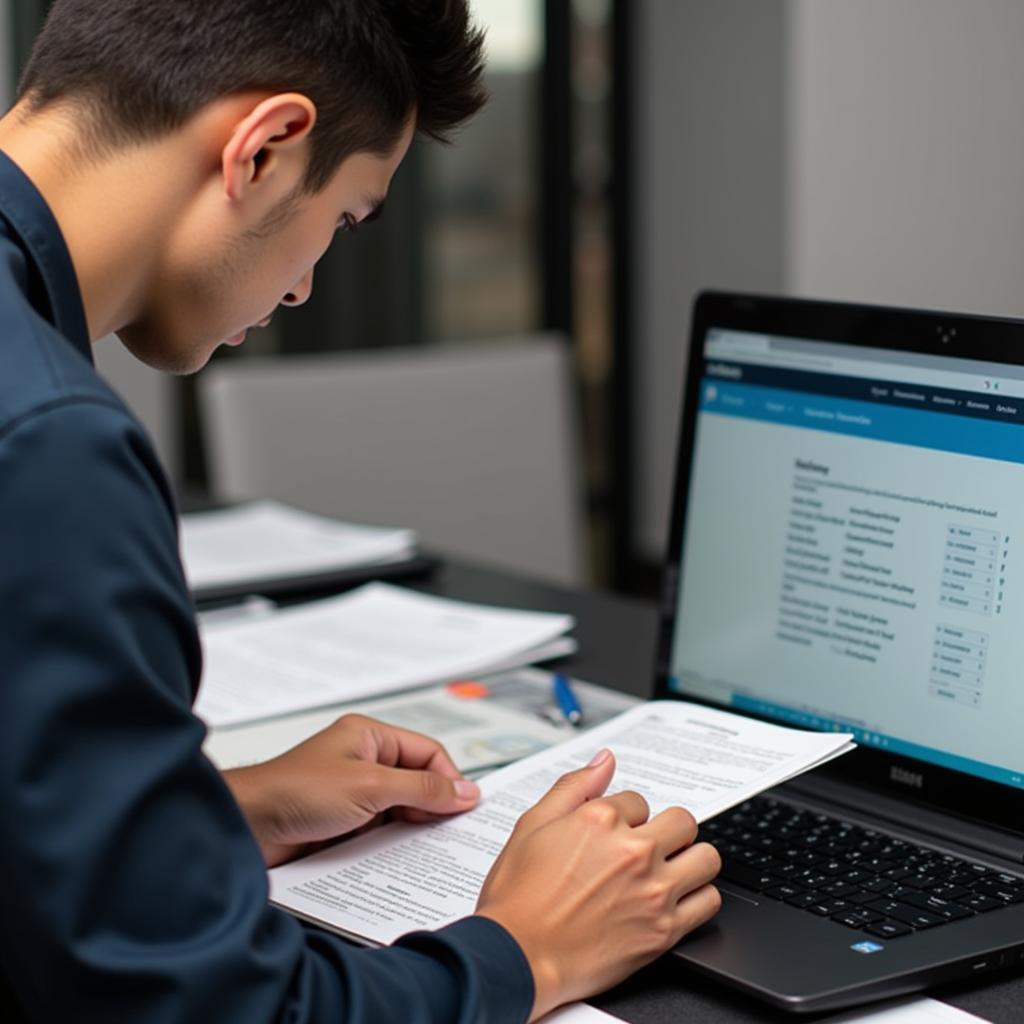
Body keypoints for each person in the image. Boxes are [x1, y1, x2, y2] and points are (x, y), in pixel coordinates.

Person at [0, 2, 722, 1021]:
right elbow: (202, 1009)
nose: (303, 288)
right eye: (342, 219)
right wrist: (525, 955)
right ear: (267, 146)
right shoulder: (49, 449)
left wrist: (204, 815)